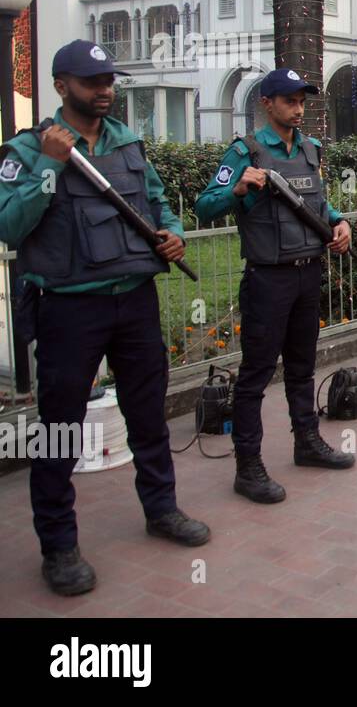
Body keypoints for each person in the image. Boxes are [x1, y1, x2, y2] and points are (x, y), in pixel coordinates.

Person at [0, 40, 210, 596]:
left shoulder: (127, 144)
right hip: (70, 307)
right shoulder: (26, 150)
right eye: (92, 81)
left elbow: (158, 203)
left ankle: (161, 509)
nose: (105, 90)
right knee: (61, 429)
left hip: (134, 299)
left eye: (109, 80)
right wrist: (49, 161)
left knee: (148, 415)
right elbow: (9, 225)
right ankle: (59, 545)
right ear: (61, 84)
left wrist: (173, 234)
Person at [196, 68, 356, 505]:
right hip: (268, 278)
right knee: (255, 376)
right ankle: (248, 467)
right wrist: (239, 188)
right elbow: (205, 205)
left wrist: (339, 220)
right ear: (267, 103)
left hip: (308, 273)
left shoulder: (310, 148)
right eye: (288, 100)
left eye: (302, 99)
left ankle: (307, 443)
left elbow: (318, 202)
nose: (298, 107)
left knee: (303, 367)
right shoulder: (244, 152)